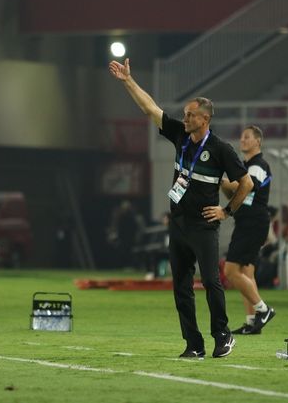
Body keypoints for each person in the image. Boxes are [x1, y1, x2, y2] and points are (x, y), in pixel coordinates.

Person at [109, 58, 252, 359]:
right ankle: (194, 343)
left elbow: (246, 184)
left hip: (203, 225)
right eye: (185, 115)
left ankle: (223, 336)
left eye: (190, 116)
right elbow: (150, 108)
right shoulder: (180, 136)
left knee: (212, 281)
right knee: (181, 287)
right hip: (178, 225)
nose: (184, 119)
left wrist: (227, 212)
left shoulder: (221, 149)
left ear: (205, 119)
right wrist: (127, 82)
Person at [221, 125, 275, 335]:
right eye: (241, 137)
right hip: (250, 222)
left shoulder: (258, 165)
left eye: (247, 137)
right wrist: (225, 185)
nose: (242, 140)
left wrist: (224, 181)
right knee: (246, 273)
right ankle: (253, 322)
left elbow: (249, 185)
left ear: (257, 141)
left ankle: (263, 309)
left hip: (252, 222)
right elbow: (237, 195)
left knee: (230, 271)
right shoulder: (247, 166)